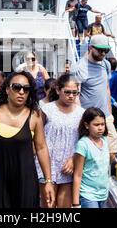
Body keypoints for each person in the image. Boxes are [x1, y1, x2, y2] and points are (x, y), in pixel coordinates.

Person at [0, 71, 55, 208]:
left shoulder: (34, 116)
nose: (21, 92)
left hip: (25, 181)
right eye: (17, 87)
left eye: (26, 89)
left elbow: (41, 148)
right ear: (8, 89)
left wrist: (48, 181)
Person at [36, 74, 85, 208]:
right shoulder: (46, 110)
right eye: (67, 92)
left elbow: (85, 142)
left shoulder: (82, 113)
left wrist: (74, 159)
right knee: (48, 206)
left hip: (68, 167)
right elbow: (36, 138)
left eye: (75, 93)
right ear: (58, 90)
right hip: (46, 166)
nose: (71, 96)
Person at [70, 34, 117, 162]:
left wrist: (109, 111)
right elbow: (75, 94)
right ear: (91, 48)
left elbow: (107, 87)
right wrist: (83, 117)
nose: (103, 53)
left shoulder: (106, 64)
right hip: (89, 118)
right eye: (100, 50)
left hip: (106, 117)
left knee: (111, 153)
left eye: (106, 50)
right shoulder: (79, 67)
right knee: (90, 155)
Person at [72, 107, 110, 208]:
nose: (100, 128)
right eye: (96, 125)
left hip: (103, 194)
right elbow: (77, 174)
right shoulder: (83, 145)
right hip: (88, 195)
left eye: (102, 124)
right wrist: (75, 203)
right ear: (86, 125)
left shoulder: (105, 141)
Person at [107, 57, 117, 129]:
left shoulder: (110, 77)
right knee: (115, 124)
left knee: (110, 125)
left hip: (112, 103)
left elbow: (108, 90)